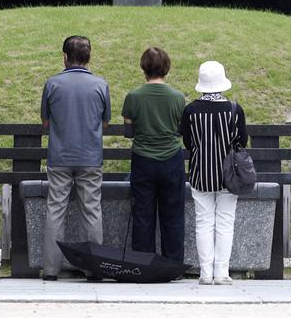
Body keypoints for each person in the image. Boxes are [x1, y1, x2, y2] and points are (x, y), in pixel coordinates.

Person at [41, 35, 111, 281]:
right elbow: (104, 121)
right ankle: (93, 269)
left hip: (59, 156)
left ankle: (50, 269)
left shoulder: (52, 84)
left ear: (64, 56)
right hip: (90, 157)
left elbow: (46, 121)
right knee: (91, 210)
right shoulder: (101, 85)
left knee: (55, 209)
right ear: (89, 57)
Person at [179, 60, 248, 285]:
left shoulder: (190, 111)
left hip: (201, 173)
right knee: (226, 221)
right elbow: (242, 141)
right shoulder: (235, 110)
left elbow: (188, 143)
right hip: (230, 176)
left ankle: (205, 273)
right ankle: (222, 273)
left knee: (203, 222)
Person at [122, 46, 187, 265]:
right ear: (167, 68)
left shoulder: (133, 97)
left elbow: (128, 132)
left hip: (143, 160)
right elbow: (180, 130)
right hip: (172, 159)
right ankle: (173, 264)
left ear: (144, 68)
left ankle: (142, 263)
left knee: (142, 215)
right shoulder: (178, 98)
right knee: (173, 215)